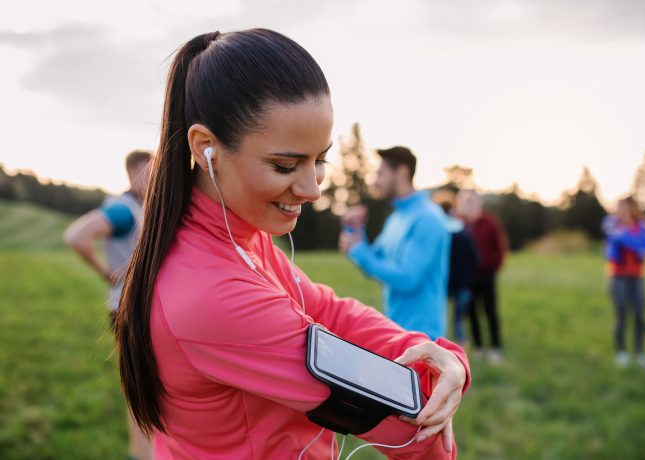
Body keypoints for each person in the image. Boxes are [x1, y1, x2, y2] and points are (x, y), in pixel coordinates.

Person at [116, 29, 470, 459]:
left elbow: (328, 310)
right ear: (206, 148)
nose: (312, 188)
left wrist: (440, 357)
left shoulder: (237, 234)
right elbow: (407, 427)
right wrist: (440, 385)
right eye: (285, 165)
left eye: (319, 159)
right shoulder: (211, 292)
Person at [64, 149, 153, 460]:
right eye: (147, 172)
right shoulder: (124, 210)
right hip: (128, 309)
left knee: (149, 388)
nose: (153, 178)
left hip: (139, 307)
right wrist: (107, 272)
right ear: (131, 174)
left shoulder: (140, 206)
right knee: (142, 391)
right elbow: (77, 236)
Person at [339, 146, 452, 340]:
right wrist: (354, 229)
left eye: (381, 173)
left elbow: (408, 278)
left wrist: (357, 251)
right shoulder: (397, 217)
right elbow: (375, 261)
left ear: (402, 172)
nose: (375, 180)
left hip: (423, 337)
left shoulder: (428, 218)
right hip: (396, 330)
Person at [602, 196, 645, 368]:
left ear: (633, 208)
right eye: (620, 208)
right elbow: (610, 253)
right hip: (618, 276)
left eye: (625, 207)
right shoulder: (612, 226)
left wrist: (623, 238)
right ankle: (621, 352)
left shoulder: (642, 226)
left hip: (637, 276)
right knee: (621, 315)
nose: (622, 211)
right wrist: (634, 244)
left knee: (640, 315)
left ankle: (640, 353)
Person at [456, 189, 507, 363]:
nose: (468, 204)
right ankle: (477, 347)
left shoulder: (489, 222)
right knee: (471, 313)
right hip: (468, 277)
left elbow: (500, 248)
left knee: (490, 310)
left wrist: (494, 267)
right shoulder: (459, 224)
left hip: (487, 275)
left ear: (479, 203)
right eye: (465, 201)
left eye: (471, 201)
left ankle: (495, 347)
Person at [436, 198, 479, 347]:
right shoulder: (465, 233)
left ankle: (442, 345)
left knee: (441, 315)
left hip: (445, 282)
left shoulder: (439, 233)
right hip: (463, 282)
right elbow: (475, 258)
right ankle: (460, 348)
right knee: (458, 319)